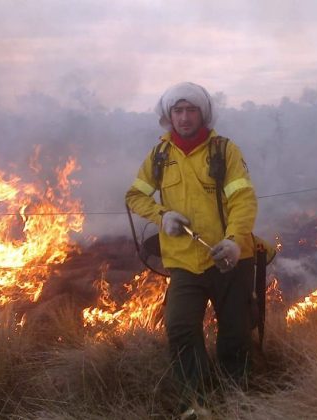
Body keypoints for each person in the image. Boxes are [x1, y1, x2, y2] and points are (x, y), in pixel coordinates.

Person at [125, 82, 258, 415]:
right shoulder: (160, 155)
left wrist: (233, 240)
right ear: (169, 115)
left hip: (229, 259)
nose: (184, 118)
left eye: (191, 110)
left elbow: (243, 200)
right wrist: (162, 215)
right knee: (181, 328)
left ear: (204, 113)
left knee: (234, 335)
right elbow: (135, 196)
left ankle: (235, 399)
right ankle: (197, 404)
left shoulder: (224, 151)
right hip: (184, 263)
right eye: (178, 111)